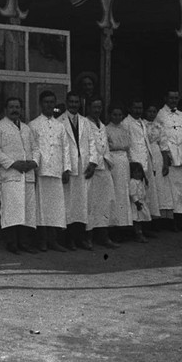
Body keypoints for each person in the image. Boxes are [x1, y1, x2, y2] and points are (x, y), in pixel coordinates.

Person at [0, 96, 39, 254]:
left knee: (27, 210)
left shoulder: (26, 128)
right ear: (5, 109)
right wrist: (13, 164)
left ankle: (25, 243)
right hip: (10, 175)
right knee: (11, 211)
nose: (15, 110)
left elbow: (36, 148)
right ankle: (12, 244)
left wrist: (33, 162)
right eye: (11, 107)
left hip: (27, 174)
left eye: (17, 107)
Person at [30, 89, 72, 252]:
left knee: (56, 208)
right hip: (41, 171)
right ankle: (42, 241)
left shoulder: (60, 126)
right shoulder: (33, 125)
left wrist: (66, 168)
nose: (49, 105)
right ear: (41, 104)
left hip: (57, 170)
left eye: (52, 102)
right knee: (41, 208)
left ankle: (53, 240)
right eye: (46, 102)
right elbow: (33, 148)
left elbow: (66, 148)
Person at [154, 89, 182, 230]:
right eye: (171, 98)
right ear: (166, 98)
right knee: (170, 191)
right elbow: (160, 136)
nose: (173, 100)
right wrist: (165, 155)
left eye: (176, 98)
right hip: (169, 158)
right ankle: (172, 223)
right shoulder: (160, 114)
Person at [83, 98, 118, 248]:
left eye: (99, 107)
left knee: (105, 203)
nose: (97, 110)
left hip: (105, 168)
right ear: (88, 107)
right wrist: (92, 163)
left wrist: (108, 162)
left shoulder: (102, 125)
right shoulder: (85, 123)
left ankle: (103, 236)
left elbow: (105, 147)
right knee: (91, 204)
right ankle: (88, 237)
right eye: (94, 107)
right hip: (92, 168)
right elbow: (87, 147)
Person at [105, 105, 144, 241]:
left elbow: (129, 149)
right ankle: (114, 227)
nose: (117, 117)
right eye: (114, 114)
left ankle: (125, 226)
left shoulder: (125, 129)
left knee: (125, 194)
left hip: (124, 162)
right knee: (116, 194)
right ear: (110, 115)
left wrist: (132, 163)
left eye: (119, 115)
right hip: (114, 162)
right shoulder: (106, 129)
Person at [60, 91, 92, 250]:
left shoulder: (85, 122)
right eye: (71, 102)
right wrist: (64, 168)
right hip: (69, 166)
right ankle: (70, 239)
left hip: (84, 165)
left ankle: (81, 238)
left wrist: (93, 163)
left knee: (82, 204)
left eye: (76, 102)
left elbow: (92, 142)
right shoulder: (60, 122)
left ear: (80, 104)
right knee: (70, 204)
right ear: (66, 102)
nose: (73, 105)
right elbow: (61, 148)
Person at [123, 99, 155, 237]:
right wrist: (132, 164)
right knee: (134, 198)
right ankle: (135, 231)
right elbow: (128, 144)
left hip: (145, 164)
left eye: (140, 107)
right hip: (135, 165)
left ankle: (144, 227)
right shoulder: (126, 123)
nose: (138, 110)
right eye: (135, 107)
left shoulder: (142, 122)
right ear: (130, 108)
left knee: (144, 197)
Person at [142, 103, 168, 231]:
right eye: (149, 111)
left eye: (154, 111)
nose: (151, 114)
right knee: (149, 188)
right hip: (146, 154)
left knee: (158, 188)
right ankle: (147, 221)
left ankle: (157, 222)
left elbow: (163, 144)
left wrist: (166, 162)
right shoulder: (141, 124)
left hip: (157, 155)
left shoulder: (159, 126)